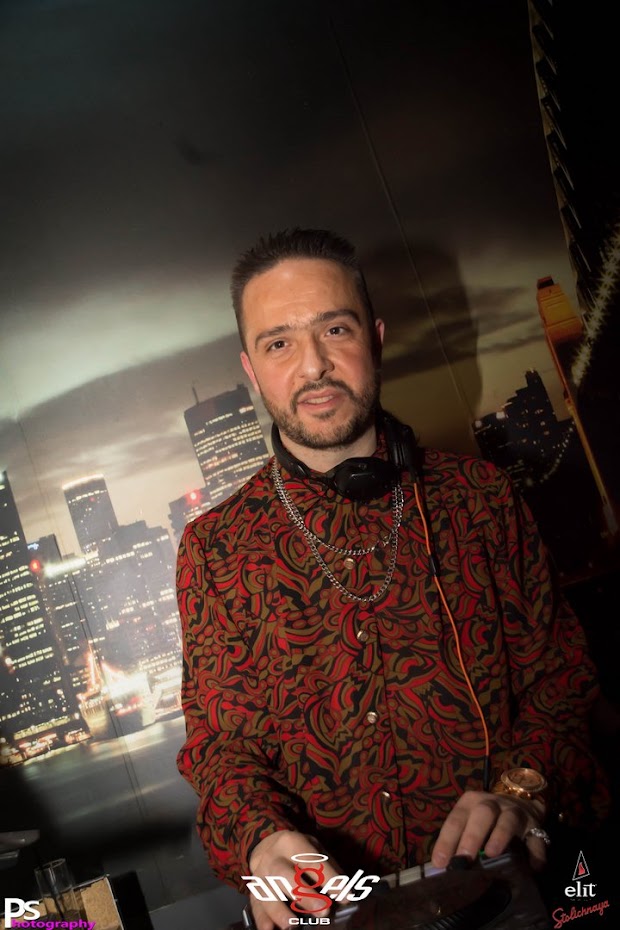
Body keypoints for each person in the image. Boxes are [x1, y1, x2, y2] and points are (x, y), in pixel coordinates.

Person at [176, 228, 608, 930]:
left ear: (374, 339)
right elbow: (221, 750)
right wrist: (260, 839)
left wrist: (523, 790)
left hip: (510, 900)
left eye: (334, 329)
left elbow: (561, 681)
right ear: (252, 370)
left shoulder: (481, 498)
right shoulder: (213, 549)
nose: (313, 366)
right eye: (279, 343)